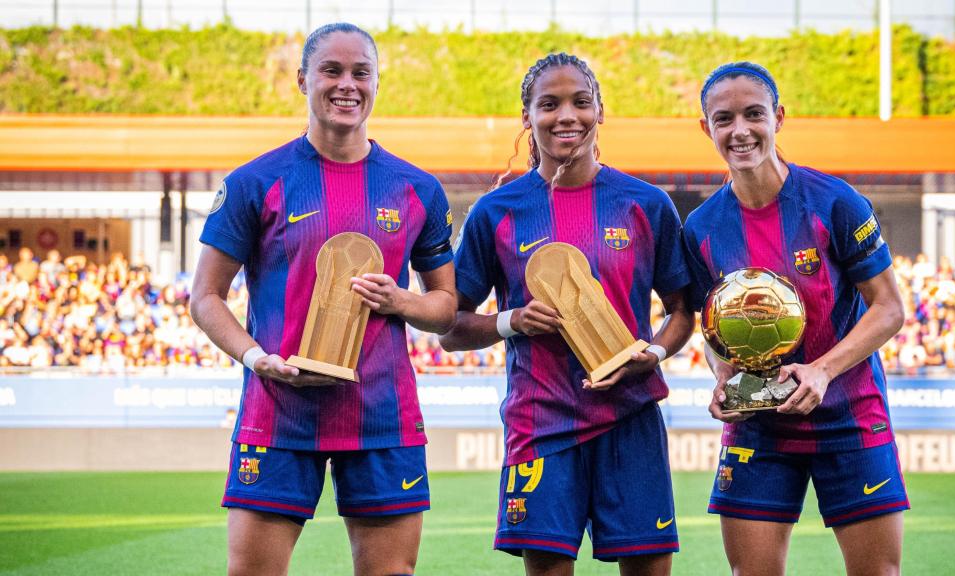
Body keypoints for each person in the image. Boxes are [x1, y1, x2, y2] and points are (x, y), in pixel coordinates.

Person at [190, 23, 456, 576]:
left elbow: (445, 306)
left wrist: (400, 301)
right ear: (301, 80)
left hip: (380, 414)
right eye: (331, 71)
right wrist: (256, 358)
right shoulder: (254, 182)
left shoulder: (417, 189)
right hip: (279, 409)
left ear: (377, 81)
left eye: (361, 72)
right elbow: (207, 297)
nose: (347, 85)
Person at [440, 53, 693, 576]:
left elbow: (681, 312)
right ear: (528, 116)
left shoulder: (646, 204)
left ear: (600, 110)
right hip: (541, 423)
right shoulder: (497, 211)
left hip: (631, 417)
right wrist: (511, 321)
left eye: (580, 102)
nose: (566, 116)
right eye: (549, 104)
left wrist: (657, 351)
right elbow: (451, 327)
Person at [683, 61, 908, 576]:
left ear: (778, 117)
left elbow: (890, 308)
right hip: (758, 428)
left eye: (753, 114)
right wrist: (724, 380)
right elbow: (713, 326)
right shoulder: (701, 227)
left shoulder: (835, 202)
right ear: (706, 128)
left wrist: (822, 370)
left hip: (849, 417)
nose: (740, 131)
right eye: (724, 119)